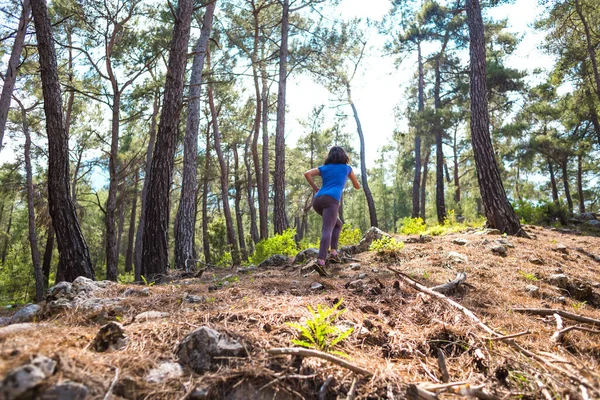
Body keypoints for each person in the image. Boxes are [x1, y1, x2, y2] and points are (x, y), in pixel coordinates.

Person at [304, 146, 360, 270]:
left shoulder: (324, 168)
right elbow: (357, 186)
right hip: (331, 200)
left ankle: (334, 253)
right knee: (327, 229)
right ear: (343, 156)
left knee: (337, 224)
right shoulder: (347, 168)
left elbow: (307, 174)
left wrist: (316, 188)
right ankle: (321, 261)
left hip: (318, 200)